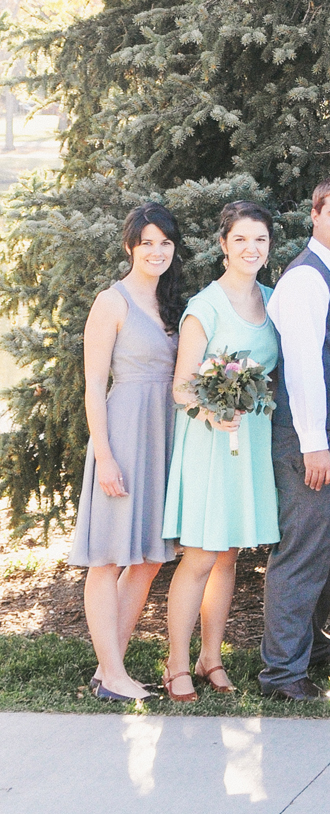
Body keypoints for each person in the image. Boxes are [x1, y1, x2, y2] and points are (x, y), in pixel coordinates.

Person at [163, 201, 280, 699]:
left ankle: (211, 658)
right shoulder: (205, 306)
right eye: (241, 239)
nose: (252, 248)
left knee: (229, 556)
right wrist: (212, 411)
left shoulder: (273, 300)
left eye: (260, 240)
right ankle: (175, 663)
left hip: (251, 440)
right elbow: (181, 387)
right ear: (223, 245)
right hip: (209, 442)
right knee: (201, 556)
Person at [259, 176, 330, 700]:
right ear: (315, 216)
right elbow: (303, 365)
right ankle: (282, 673)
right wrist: (313, 442)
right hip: (313, 436)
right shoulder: (306, 278)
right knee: (303, 552)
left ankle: (311, 645)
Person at [70, 203, 182, 702]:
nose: (157, 251)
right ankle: (114, 675)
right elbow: (94, 386)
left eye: (165, 243)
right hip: (122, 434)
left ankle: (107, 668)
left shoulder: (170, 303)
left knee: (149, 559)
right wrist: (106, 456)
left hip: (163, 434)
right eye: (147, 243)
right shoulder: (111, 302)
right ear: (130, 247)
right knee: (108, 558)